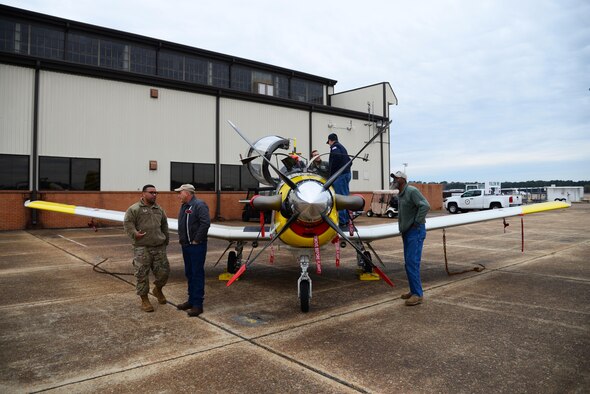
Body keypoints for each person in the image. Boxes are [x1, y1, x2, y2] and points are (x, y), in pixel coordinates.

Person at [123, 184, 170, 313]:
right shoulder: (134, 209)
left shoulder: (159, 209)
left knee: (164, 273)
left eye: (156, 192)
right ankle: (144, 300)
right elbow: (128, 223)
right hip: (142, 247)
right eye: (151, 192)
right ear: (143, 194)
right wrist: (134, 233)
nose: (154, 195)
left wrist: (166, 239)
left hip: (159, 247)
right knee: (142, 275)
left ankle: (158, 290)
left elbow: (164, 225)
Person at [391, 171, 430, 306]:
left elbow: (425, 205)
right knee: (408, 263)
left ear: (403, 179)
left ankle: (418, 295)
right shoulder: (401, 194)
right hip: (407, 232)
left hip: (415, 231)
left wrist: (417, 222)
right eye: (394, 178)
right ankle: (414, 290)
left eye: (396, 178)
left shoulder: (412, 191)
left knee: (412, 262)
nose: (394, 180)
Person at [175, 183, 211, 317]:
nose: (178, 195)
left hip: (197, 246)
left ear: (187, 193)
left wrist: (196, 240)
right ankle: (191, 300)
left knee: (197, 274)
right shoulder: (184, 206)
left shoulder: (199, 205)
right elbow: (183, 224)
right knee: (189, 273)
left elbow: (205, 223)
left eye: (180, 192)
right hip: (186, 246)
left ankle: (197, 305)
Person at [327, 133, 351, 228]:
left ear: (330, 140)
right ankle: (345, 219)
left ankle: (342, 221)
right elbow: (350, 161)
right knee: (345, 196)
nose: (329, 144)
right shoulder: (343, 148)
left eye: (328, 142)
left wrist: (332, 173)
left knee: (340, 198)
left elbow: (336, 159)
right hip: (346, 174)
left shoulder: (335, 148)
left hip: (340, 176)